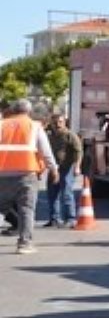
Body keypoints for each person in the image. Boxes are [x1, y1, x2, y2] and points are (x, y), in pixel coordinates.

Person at [0, 100, 58, 255]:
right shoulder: (35, 126)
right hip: (26, 173)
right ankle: (24, 244)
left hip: (2, 173)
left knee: (1, 208)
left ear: (13, 110)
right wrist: (53, 169)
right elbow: (45, 152)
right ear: (29, 111)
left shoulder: (1, 124)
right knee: (27, 209)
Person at [43, 114, 82, 229]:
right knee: (52, 194)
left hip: (67, 167)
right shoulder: (49, 136)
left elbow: (78, 151)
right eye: (55, 122)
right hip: (54, 168)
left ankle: (70, 218)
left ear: (64, 122)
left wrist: (77, 166)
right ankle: (54, 219)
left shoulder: (70, 135)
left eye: (60, 122)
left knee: (66, 193)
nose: (58, 124)